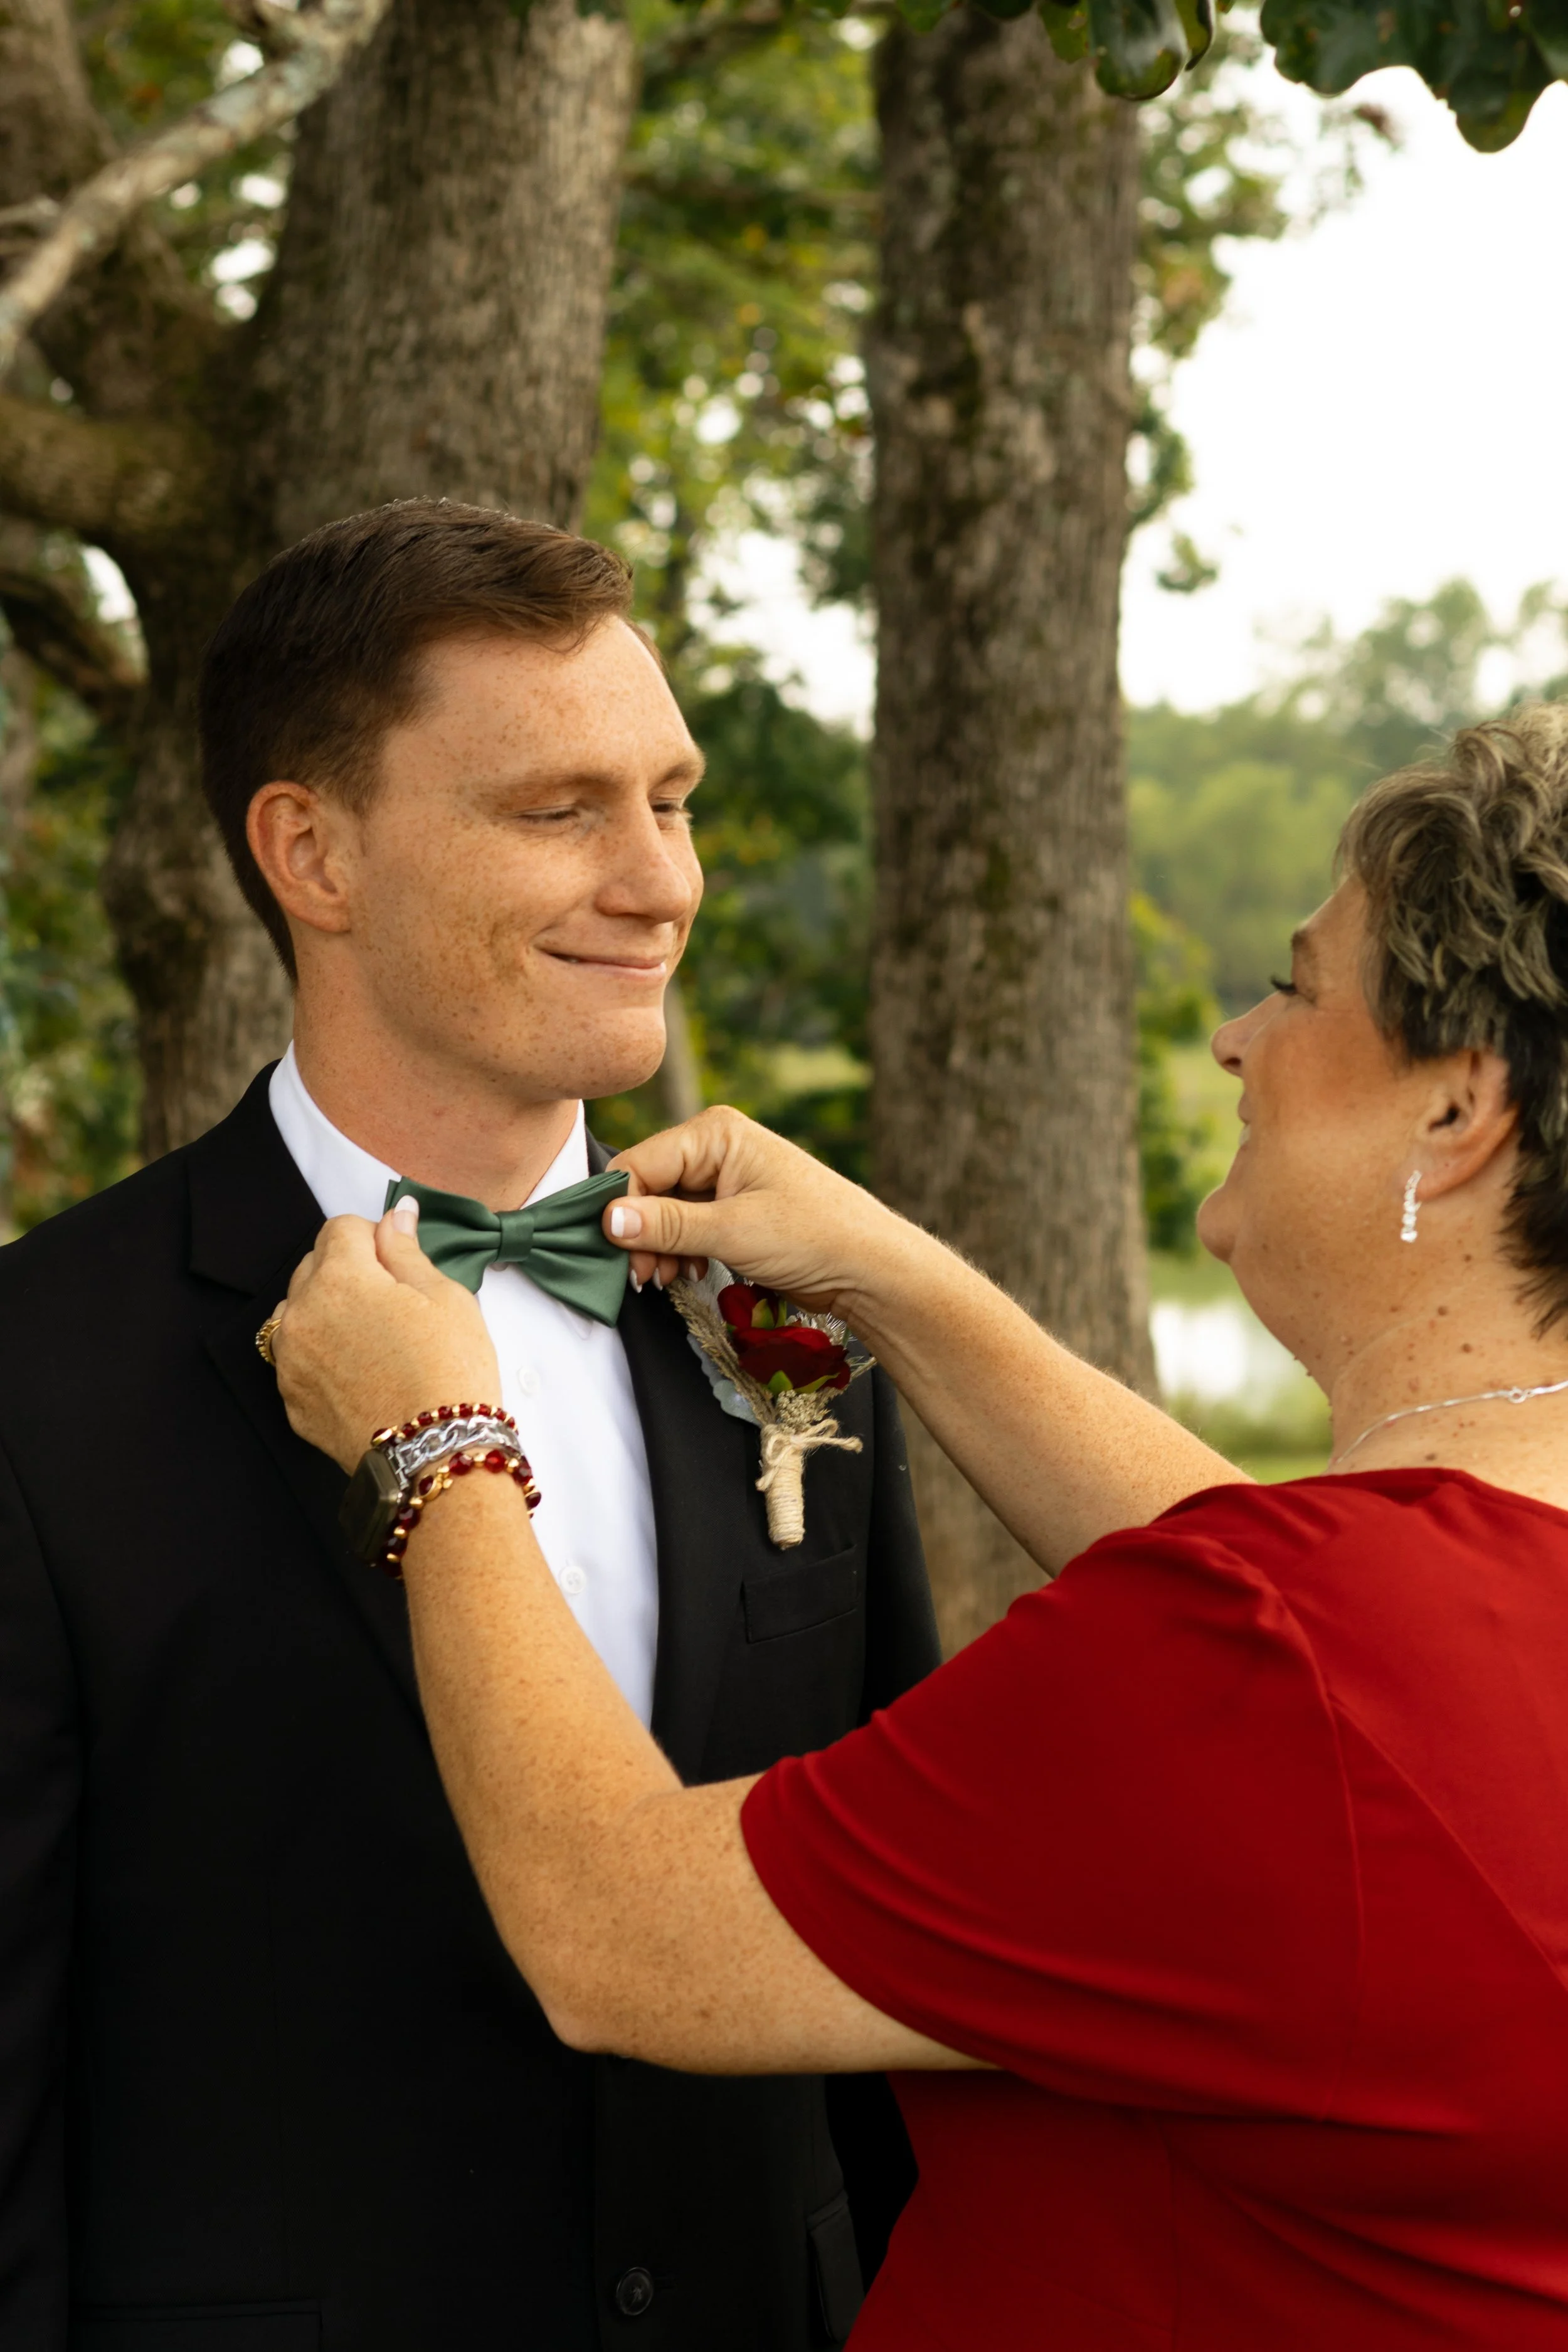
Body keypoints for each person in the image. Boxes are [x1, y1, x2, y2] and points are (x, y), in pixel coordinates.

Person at [273, 702, 1568, 2349]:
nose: (1237, 1037)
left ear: (1458, 1115)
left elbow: (620, 1933)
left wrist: (435, 1439)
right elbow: (1348, 1687)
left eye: (1298, 983)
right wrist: (894, 1276)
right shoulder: (1437, 1615)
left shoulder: (1283, 1667)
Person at [0, 501, 940, 2351]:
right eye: (556, 808)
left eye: (667, 800)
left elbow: (880, 1945)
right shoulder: (38, 1371)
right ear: (311, 850)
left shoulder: (788, 1314)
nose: (659, 879)